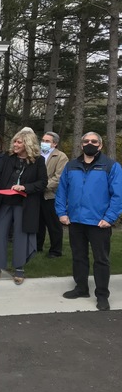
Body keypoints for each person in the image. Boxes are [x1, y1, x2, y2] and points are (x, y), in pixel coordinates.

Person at [56, 132, 122, 311]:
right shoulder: (71, 166)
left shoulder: (111, 166)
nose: (90, 143)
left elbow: (118, 195)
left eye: (94, 141)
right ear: (81, 145)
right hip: (76, 221)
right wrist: (62, 213)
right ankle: (81, 288)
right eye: (86, 141)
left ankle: (102, 295)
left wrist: (109, 218)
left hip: (98, 222)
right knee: (79, 257)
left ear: (100, 146)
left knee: (101, 260)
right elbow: (61, 191)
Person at [0, 128, 47, 285]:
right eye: (15, 141)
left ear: (28, 144)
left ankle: (19, 269)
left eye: (19, 142)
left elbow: (42, 182)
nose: (15, 144)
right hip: (4, 202)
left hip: (24, 205)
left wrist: (25, 187)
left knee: (21, 235)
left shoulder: (38, 161)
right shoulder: (8, 157)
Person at [38, 131, 68, 258]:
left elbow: (58, 177)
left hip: (50, 196)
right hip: (35, 195)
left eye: (47, 141)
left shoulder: (61, 157)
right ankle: (37, 247)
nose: (44, 143)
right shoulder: (36, 154)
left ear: (54, 144)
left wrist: (41, 186)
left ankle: (55, 251)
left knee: (53, 225)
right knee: (38, 224)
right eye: (43, 140)